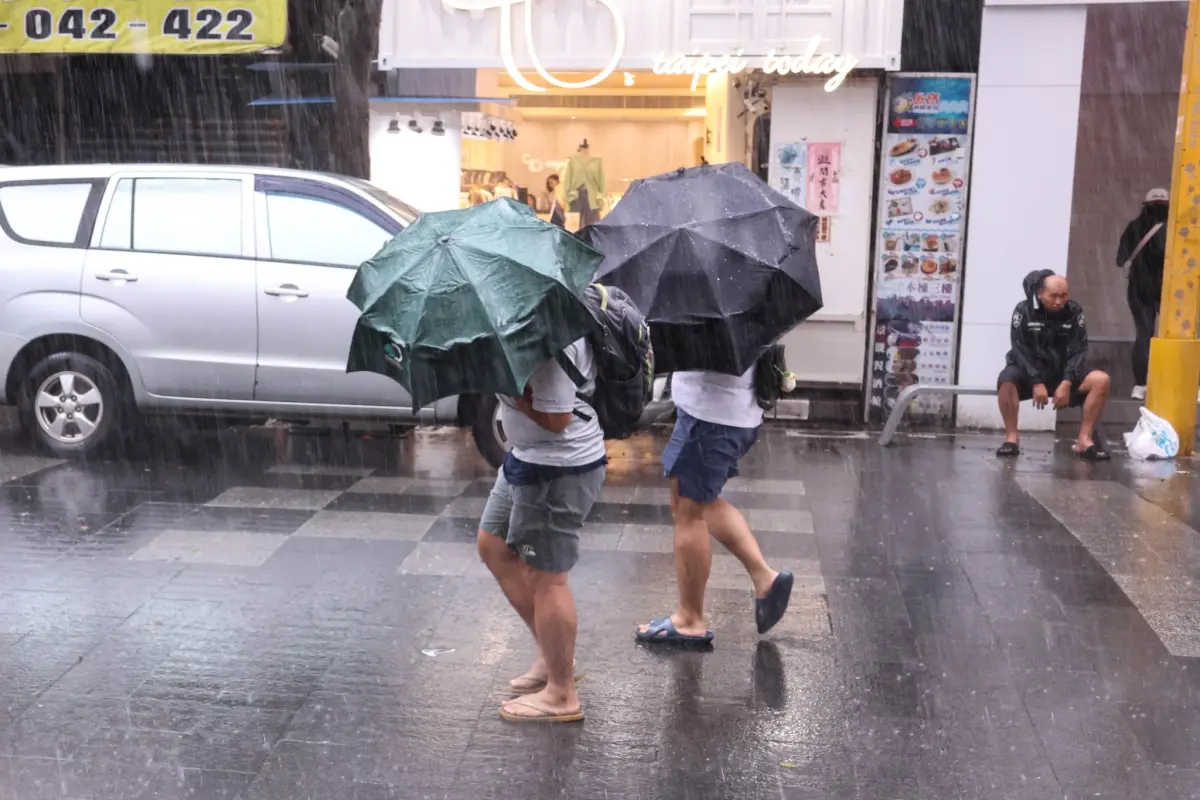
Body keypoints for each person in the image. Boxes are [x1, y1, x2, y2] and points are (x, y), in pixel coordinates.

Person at [477, 338, 606, 724]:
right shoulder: (514, 320)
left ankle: (562, 693)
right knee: (494, 545)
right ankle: (555, 657)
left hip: (557, 466)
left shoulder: (543, 333)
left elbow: (557, 418)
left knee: (546, 577)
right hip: (524, 456)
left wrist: (517, 396)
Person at [636, 366, 794, 645]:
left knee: (690, 510)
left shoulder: (716, 322)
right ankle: (764, 578)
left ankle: (690, 619)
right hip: (723, 409)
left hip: (711, 413)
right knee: (691, 501)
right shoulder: (739, 320)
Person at [996, 270, 1112, 461]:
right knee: (1006, 380)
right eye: (1053, 296)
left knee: (1101, 380)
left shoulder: (1074, 311)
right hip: (1030, 370)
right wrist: (1035, 381)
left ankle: (1084, 439)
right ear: (1040, 294)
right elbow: (1019, 350)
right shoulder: (1023, 311)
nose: (1059, 301)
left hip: (1063, 371)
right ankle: (1011, 438)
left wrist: (1067, 381)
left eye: (1063, 296)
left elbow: (1079, 349)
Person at [1116, 188, 1170, 400]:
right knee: (1176, 337)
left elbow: (1120, 260)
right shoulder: (1177, 229)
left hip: (1139, 289)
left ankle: (1140, 385)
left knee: (1144, 333)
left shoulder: (1134, 227)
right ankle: (1177, 383)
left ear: (1144, 206)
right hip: (1170, 290)